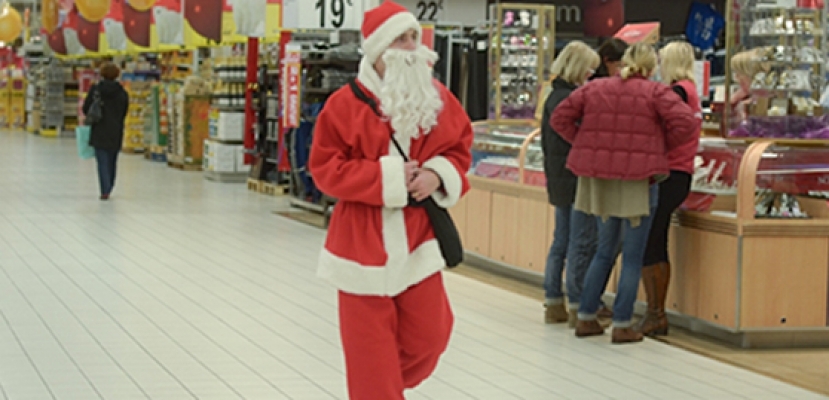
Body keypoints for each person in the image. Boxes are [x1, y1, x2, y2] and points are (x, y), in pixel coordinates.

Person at [307, 2, 473, 399]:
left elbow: (459, 150)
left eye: (414, 37)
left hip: (417, 236)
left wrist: (436, 174)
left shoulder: (437, 99)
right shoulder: (343, 106)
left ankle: (382, 389)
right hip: (360, 242)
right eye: (401, 38)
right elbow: (325, 169)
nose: (411, 46)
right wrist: (389, 178)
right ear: (379, 49)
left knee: (431, 336)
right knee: (370, 355)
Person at [551, 43, 698, 344]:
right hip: (640, 181)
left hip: (601, 178)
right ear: (651, 66)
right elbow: (686, 123)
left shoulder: (596, 88)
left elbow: (559, 118)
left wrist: (584, 144)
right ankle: (621, 323)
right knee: (632, 255)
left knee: (604, 251)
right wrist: (661, 148)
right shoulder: (656, 93)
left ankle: (586, 317)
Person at [636, 41, 703, 336]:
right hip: (680, 173)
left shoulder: (676, 92)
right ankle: (656, 312)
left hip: (669, 173)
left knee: (652, 239)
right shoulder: (690, 90)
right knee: (656, 237)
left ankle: (656, 313)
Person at [540, 41, 601, 327]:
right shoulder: (569, 98)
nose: (591, 73)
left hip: (558, 176)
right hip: (575, 177)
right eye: (589, 67)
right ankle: (577, 304)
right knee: (581, 242)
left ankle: (553, 300)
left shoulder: (552, 95)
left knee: (561, 241)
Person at [82, 62, 129, 200]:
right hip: (115, 130)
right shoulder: (122, 92)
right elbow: (124, 111)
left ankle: (105, 189)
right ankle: (110, 185)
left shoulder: (96, 90)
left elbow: (86, 109)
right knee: (112, 160)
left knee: (102, 161)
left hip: (99, 129)